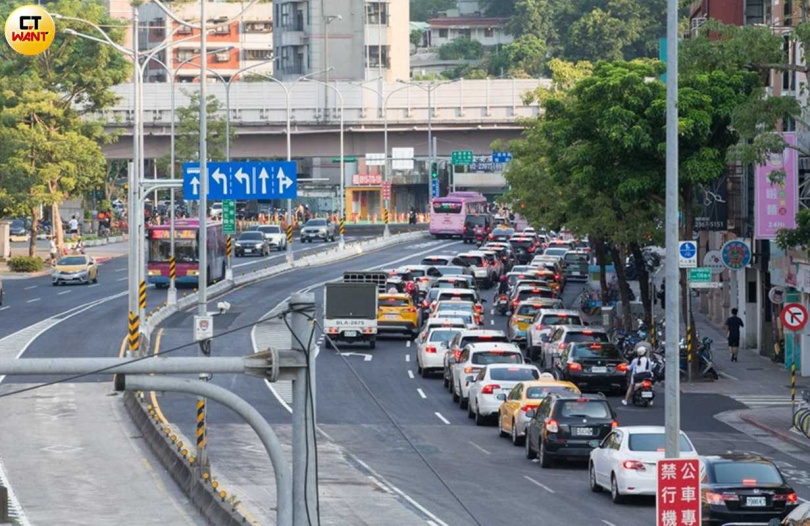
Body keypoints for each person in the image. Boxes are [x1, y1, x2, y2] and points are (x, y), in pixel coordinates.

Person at [623, 341, 653, 406]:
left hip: (637, 377)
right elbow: (650, 368)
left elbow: (629, 368)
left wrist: (624, 367)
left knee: (631, 386)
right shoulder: (648, 360)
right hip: (647, 376)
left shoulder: (635, 360)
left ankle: (625, 400)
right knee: (651, 386)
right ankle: (651, 400)